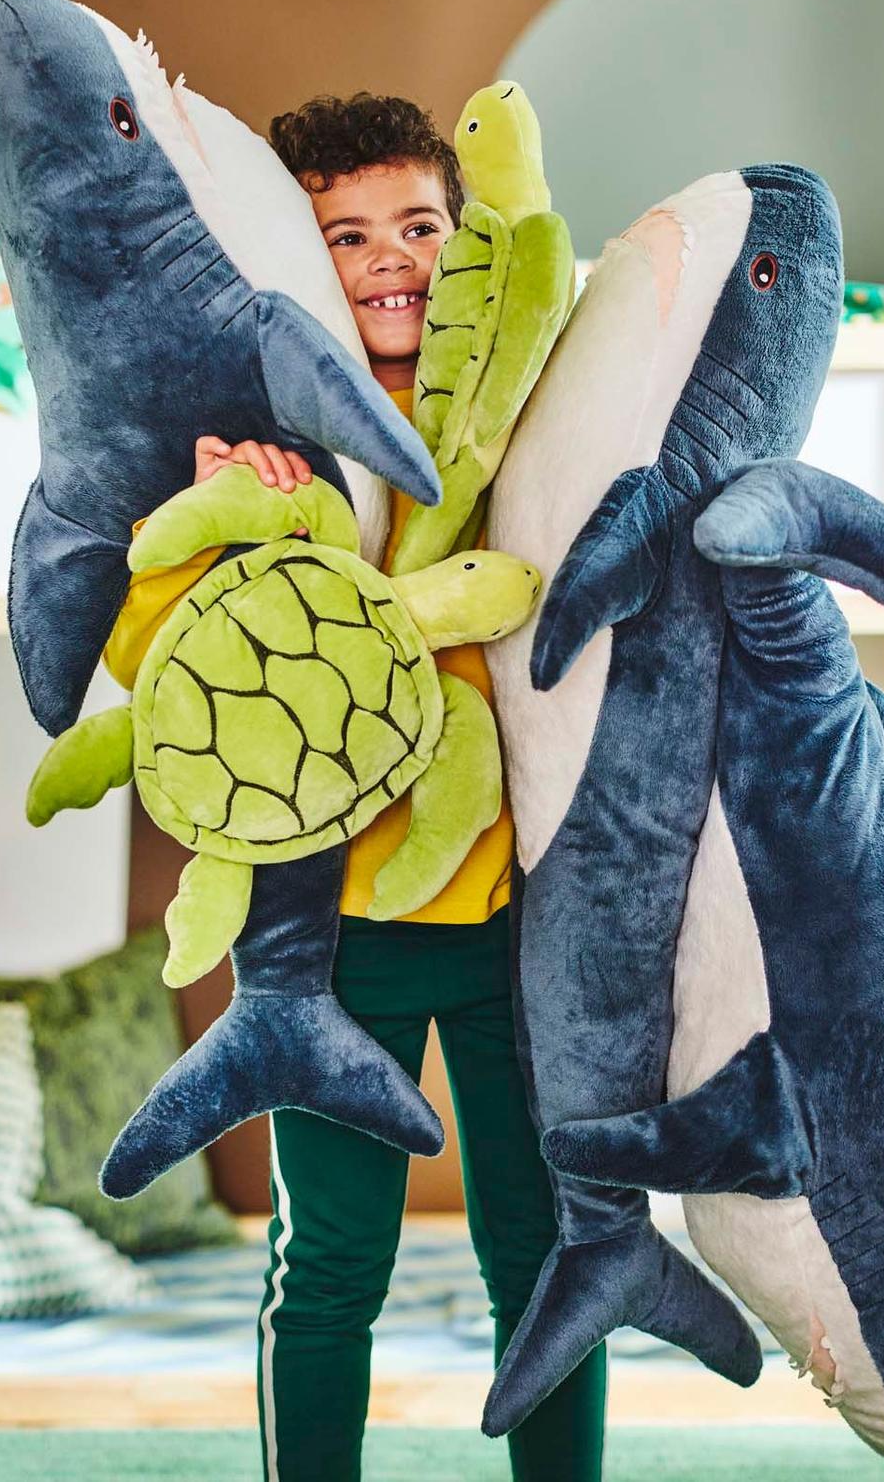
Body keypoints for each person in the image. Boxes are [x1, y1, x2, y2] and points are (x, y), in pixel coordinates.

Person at [105, 94, 606, 1482]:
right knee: (329, 1264)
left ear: (472, 240)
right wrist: (199, 527)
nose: (393, 258)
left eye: (423, 226)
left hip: (519, 920)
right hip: (331, 935)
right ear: (295, 259)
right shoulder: (265, 430)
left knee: (554, 1252)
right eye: (347, 235)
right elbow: (163, 672)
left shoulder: (525, 423)